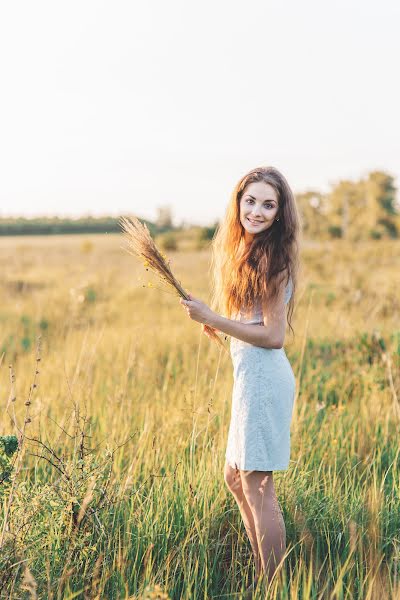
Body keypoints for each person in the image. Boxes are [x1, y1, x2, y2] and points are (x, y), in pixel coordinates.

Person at [179, 166, 300, 595]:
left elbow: (273, 335)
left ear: (280, 213)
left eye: (269, 204)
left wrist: (215, 318)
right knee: (236, 478)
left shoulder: (273, 259)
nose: (257, 210)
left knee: (257, 482)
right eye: (251, 201)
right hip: (250, 377)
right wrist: (223, 324)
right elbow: (251, 323)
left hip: (264, 380)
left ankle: (274, 585)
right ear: (239, 202)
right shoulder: (245, 252)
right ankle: (262, 570)